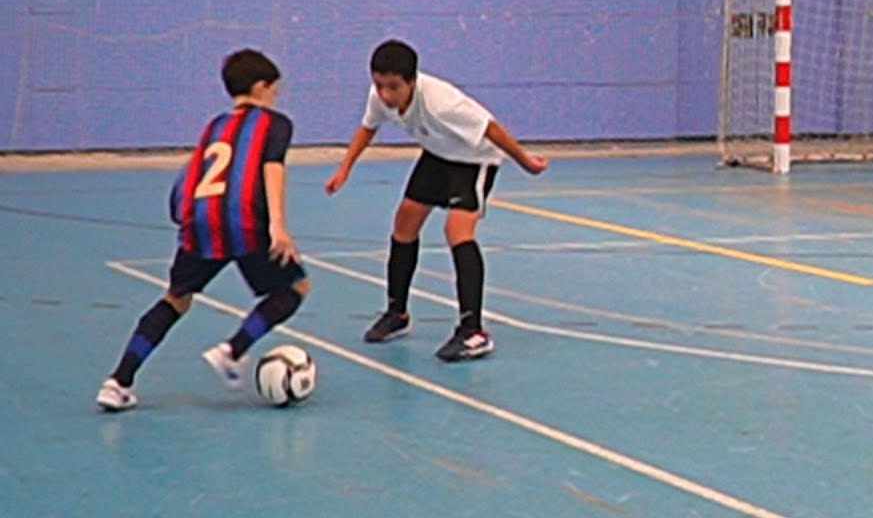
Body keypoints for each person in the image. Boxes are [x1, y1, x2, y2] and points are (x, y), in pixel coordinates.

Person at [96, 49, 308, 411]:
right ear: (261, 87)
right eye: (274, 89)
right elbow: (272, 169)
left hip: (201, 220)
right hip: (243, 220)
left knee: (175, 299)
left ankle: (118, 382)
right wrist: (278, 226)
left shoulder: (214, 126)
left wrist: (185, 217)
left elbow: (188, 178)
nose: (276, 97)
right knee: (295, 287)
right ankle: (233, 350)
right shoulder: (275, 123)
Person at [324, 39, 548, 362]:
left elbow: (491, 130)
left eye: (393, 87)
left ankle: (473, 332)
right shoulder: (380, 97)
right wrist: (345, 168)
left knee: (457, 230)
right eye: (379, 85)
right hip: (438, 153)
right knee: (404, 222)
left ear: (412, 82)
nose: (385, 95)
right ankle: (396, 314)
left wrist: (525, 162)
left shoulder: (442, 104)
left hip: (474, 158)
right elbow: (367, 127)